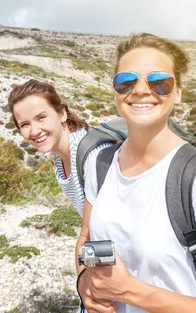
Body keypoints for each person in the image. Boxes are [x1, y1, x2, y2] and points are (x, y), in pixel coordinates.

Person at [77, 33, 196, 312]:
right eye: (126, 81)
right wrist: (83, 282)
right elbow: (86, 238)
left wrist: (129, 292)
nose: (140, 90)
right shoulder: (100, 164)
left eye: (159, 82)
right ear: (115, 90)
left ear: (177, 93)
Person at [8, 80, 118, 312]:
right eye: (24, 124)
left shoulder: (93, 156)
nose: (34, 131)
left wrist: (87, 285)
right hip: (110, 258)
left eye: (41, 117)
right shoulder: (60, 161)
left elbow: (94, 233)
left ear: (62, 113)